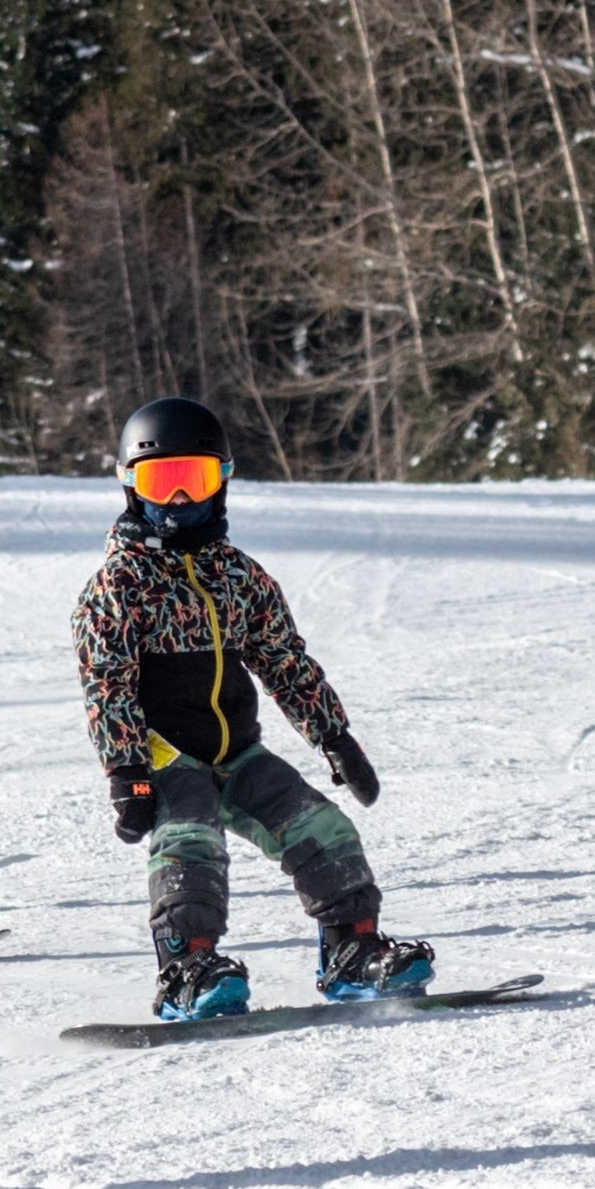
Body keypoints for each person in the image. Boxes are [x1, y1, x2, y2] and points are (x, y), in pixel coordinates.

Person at [68, 396, 432, 1020]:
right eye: (162, 482)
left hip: (238, 751)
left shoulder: (241, 578)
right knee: (190, 837)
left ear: (223, 481)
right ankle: (188, 965)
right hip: (164, 752)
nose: (179, 501)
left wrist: (334, 737)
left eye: (196, 480)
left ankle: (351, 950)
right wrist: (126, 771)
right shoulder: (117, 587)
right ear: (130, 486)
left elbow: (285, 662)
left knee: (323, 828)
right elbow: (108, 684)